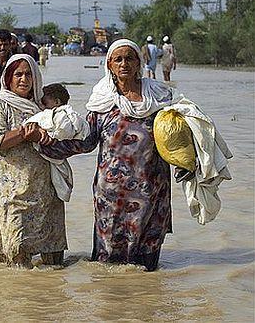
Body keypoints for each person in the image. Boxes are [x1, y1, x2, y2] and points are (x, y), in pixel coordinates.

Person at [40, 39, 179, 271]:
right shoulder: (102, 102)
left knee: (146, 270)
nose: (124, 63)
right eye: (118, 59)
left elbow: (175, 140)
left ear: (139, 62)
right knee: (107, 270)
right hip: (112, 197)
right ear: (110, 65)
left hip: (151, 193)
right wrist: (44, 145)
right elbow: (86, 142)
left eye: (129, 58)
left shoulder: (159, 99)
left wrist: (193, 166)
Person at [0, 54, 67, 268]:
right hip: (12, 193)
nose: (24, 79)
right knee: (17, 253)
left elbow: (62, 136)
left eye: (29, 74)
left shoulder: (41, 105)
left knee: (53, 264)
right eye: (18, 74)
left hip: (45, 191)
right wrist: (24, 133)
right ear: (8, 78)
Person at [24, 83, 90, 202]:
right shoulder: (70, 116)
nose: (42, 107)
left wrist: (50, 135)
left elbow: (63, 130)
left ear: (57, 102)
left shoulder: (61, 115)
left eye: (45, 103)